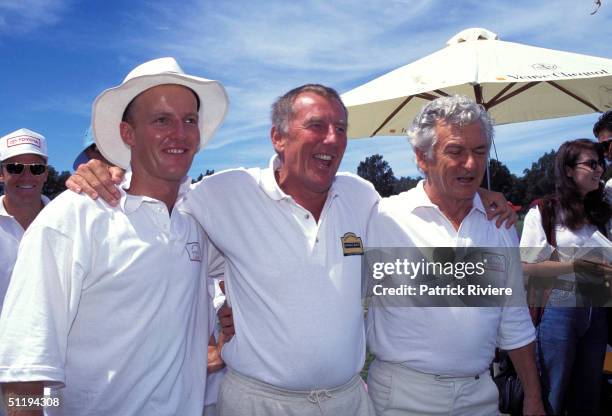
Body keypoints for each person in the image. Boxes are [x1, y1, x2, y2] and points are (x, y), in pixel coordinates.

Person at [67, 85, 516, 416]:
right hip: (258, 404)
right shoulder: (223, 193)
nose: (332, 138)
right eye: (316, 126)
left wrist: (478, 200)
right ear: (277, 138)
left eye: (340, 128)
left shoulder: (362, 198)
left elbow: (443, 271)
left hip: (348, 402)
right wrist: (109, 170)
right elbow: (156, 197)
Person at [0, 57, 229, 416]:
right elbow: (21, 382)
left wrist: (231, 319)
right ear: (127, 134)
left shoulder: (199, 218)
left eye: (189, 120)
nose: (179, 133)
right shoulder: (73, 218)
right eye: (161, 120)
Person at [365, 95, 545, 416]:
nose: (472, 165)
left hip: (480, 394)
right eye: (456, 151)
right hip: (402, 398)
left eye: (479, 151)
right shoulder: (382, 217)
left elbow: (514, 321)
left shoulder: (499, 224)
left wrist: (533, 397)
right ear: (422, 157)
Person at [520, 139, 611, 415]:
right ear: (569, 170)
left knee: (588, 396)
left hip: (598, 312)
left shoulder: (602, 213)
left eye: (602, 163)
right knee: (553, 394)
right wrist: (576, 265)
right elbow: (526, 267)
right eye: (592, 164)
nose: (600, 170)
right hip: (559, 311)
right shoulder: (544, 211)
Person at [0, 128, 50, 312]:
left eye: (36, 168)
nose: (26, 176)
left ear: (46, 174)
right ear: (1, 173)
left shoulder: (69, 222)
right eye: (15, 167)